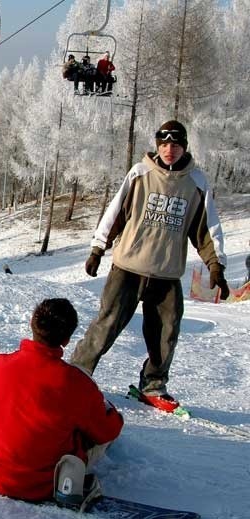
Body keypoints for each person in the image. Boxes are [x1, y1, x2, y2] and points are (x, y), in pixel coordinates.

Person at [70, 120, 230, 410]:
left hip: (166, 272)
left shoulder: (197, 182)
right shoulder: (141, 173)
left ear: (184, 147)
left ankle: (153, 385)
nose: (170, 150)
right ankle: (77, 373)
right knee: (108, 322)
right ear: (158, 146)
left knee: (166, 331)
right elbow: (115, 211)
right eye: (165, 144)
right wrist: (98, 247)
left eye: (176, 145)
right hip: (129, 265)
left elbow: (206, 229)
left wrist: (216, 265)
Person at [0, 298, 123, 506]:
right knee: (97, 427)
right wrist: (112, 413)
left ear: (32, 325)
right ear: (67, 340)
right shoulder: (77, 383)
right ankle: (70, 475)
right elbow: (107, 431)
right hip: (47, 483)